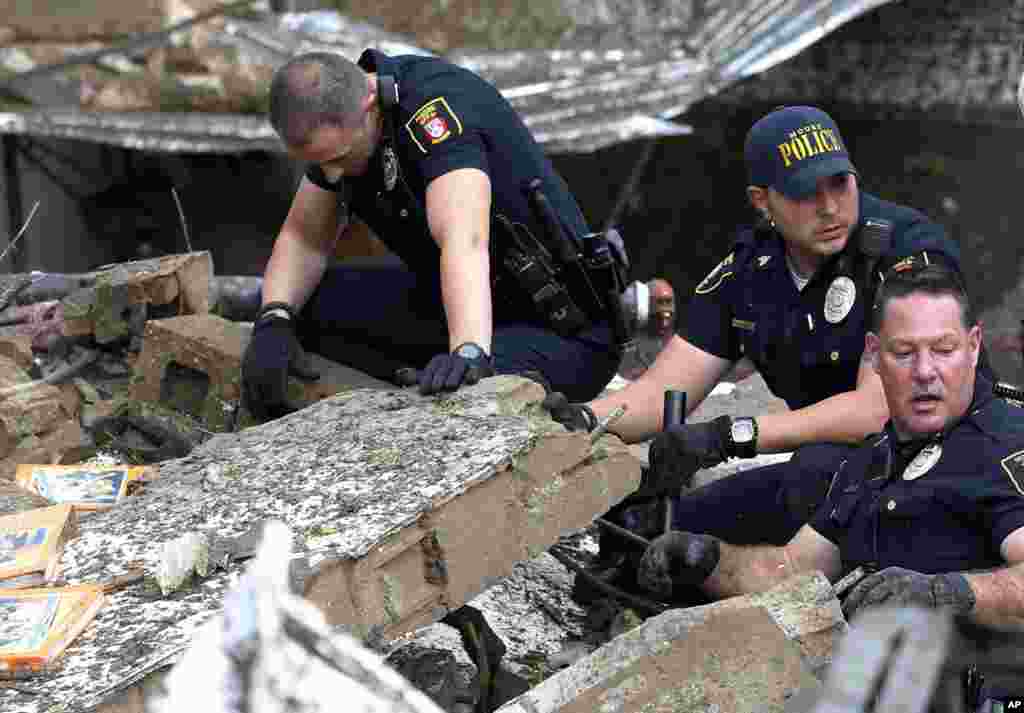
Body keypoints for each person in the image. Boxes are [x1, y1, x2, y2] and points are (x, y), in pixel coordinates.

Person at [544, 105, 977, 553]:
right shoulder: (749, 272)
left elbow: (877, 410)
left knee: (814, 475)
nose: (830, 208)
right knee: (639, 529)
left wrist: (729, 437)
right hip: (839, 469)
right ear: (761, 200)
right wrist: (584, 420)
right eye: (805, 192)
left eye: (839, 184)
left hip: (946, 463)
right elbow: (663, 390)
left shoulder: (907, 251)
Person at [241, 50, 624, 422]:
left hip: (560, 331)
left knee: (454, 406)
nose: (333, 175)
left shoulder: (435, 111)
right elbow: (303, 238)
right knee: (297, 307)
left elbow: (464, 239)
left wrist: (469, 352)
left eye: (339, 158)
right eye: (321, 165)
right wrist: (275, 318)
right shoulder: (345, 126)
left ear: (369, 102)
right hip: (453, 301)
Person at [634, 264, 1024, 623]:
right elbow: (791, 571)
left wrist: (949, 593)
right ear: (873, 354)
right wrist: (706, 559)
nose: (925, 372)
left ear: (973, 347)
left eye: (943, 350)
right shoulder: (873, 461)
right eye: (904, 353)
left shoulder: (1006, 443)